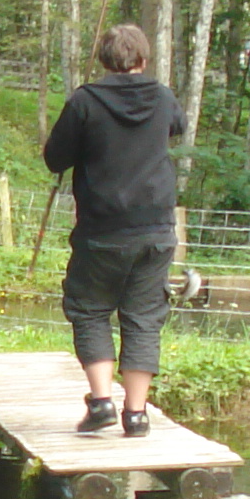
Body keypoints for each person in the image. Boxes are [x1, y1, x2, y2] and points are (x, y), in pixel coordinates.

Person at [41, 23, 185, 437]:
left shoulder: (85, 100)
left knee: (89, 308)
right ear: (143, 59)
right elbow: (177, 127)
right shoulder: (162, 96)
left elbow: (55, 159)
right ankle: (136, 415)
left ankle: (102, 402)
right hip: (155, 227)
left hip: (102, 228)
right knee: (143, 315)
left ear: (105, 60)